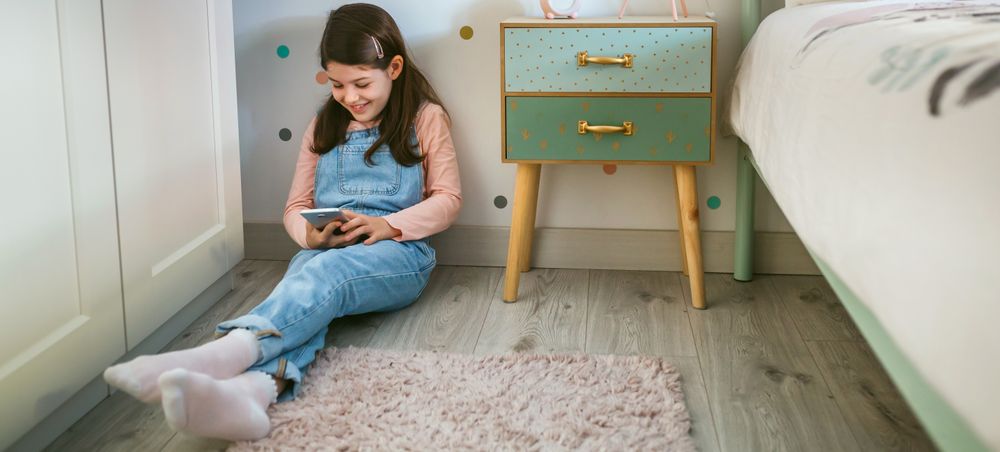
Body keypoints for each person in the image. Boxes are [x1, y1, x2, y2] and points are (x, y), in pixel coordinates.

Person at [102, 3, 461, 441]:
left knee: (324, 277)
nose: (350, 97)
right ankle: (258, 390)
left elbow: (448, 200)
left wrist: (388, 226)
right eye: (337, 85)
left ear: (395, 68)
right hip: (328, 251)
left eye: (362, 83)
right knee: (307, 295)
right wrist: (308, 234)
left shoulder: (424, 119)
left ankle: (226, 351)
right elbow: (295, 206)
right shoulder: (322, 126)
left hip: (402, 253)